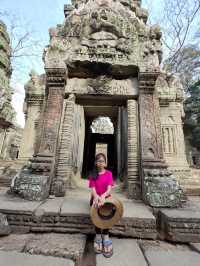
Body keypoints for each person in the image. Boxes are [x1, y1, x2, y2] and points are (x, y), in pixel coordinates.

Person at [88, 153, 114, 258]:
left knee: (108, 212)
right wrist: (97, 197)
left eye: (102, 161)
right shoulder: (92, 174)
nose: (100, 163)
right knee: (96, 208)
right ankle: (98, 235)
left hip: (106, 198)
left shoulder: (109, 174)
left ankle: (106, 235)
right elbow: (93, 190)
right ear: (95, 163)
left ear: (105, 163)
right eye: (98, 161)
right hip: (96, 198)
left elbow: (109, 189)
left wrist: (103, 196)